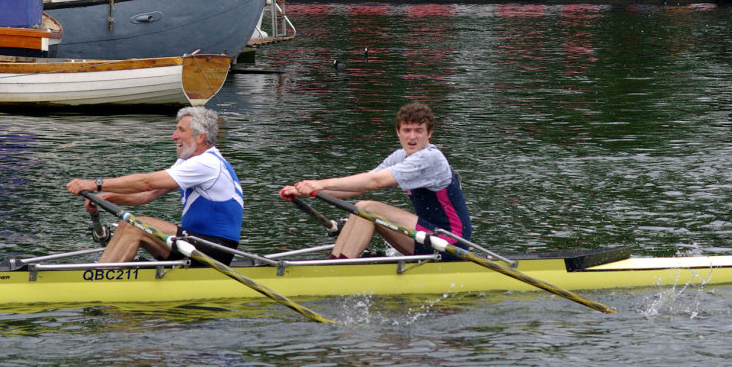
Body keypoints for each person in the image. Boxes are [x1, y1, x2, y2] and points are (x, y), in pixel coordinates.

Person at [280, 102, 471, 260]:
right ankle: (335, 262)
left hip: (450, 243)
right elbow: (356, 189)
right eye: (407, 130)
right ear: (398, 132)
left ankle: (336, 271)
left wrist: (321, 184)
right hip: (426, 237)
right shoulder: (401, 156)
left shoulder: (431, 158)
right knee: (359, 208)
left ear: (429, 134)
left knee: (368, 208)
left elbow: (374, 182)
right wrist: (303, 191)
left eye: (418, 131)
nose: (412, 137)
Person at [66, 106, 243, 265]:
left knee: (136, 225)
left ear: (200, 137)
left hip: (216, 250)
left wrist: (96, 184)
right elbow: (147, 194)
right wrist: (106, 197)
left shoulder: (208, 164)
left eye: (181, 130)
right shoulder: (188, 163)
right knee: (127, 224)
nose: (174, 136)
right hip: (193, 243)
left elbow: (146, 182)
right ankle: (102, 271)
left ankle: (97, 280)